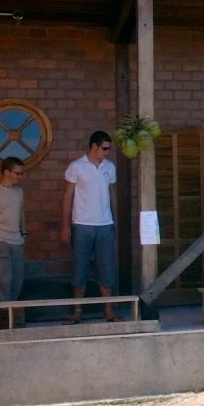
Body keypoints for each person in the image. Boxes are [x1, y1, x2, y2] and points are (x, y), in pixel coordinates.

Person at [60, 131, 121, 324]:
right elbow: (67, 196)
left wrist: (115, 221)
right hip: (82, 225)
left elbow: (112, 194)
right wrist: (65, 225)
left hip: (105, 225)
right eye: (104, 148)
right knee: (80, 268)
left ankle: (109, 310)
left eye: (109, 149)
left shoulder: (109, 167)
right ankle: (77, 311)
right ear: (93, 146)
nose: (107, 152)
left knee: (107, 268)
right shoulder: (76, 166)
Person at [0, 157, 27, 302]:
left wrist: (24, 233)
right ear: (7, 172)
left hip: (17, 241)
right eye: (17, 173)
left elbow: (21, 213)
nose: (20, 177)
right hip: (0, 240)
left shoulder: (19, 191)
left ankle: (11, 310)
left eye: (21, 173)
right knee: (4, 280)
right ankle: (2, 311)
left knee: (17, 280)